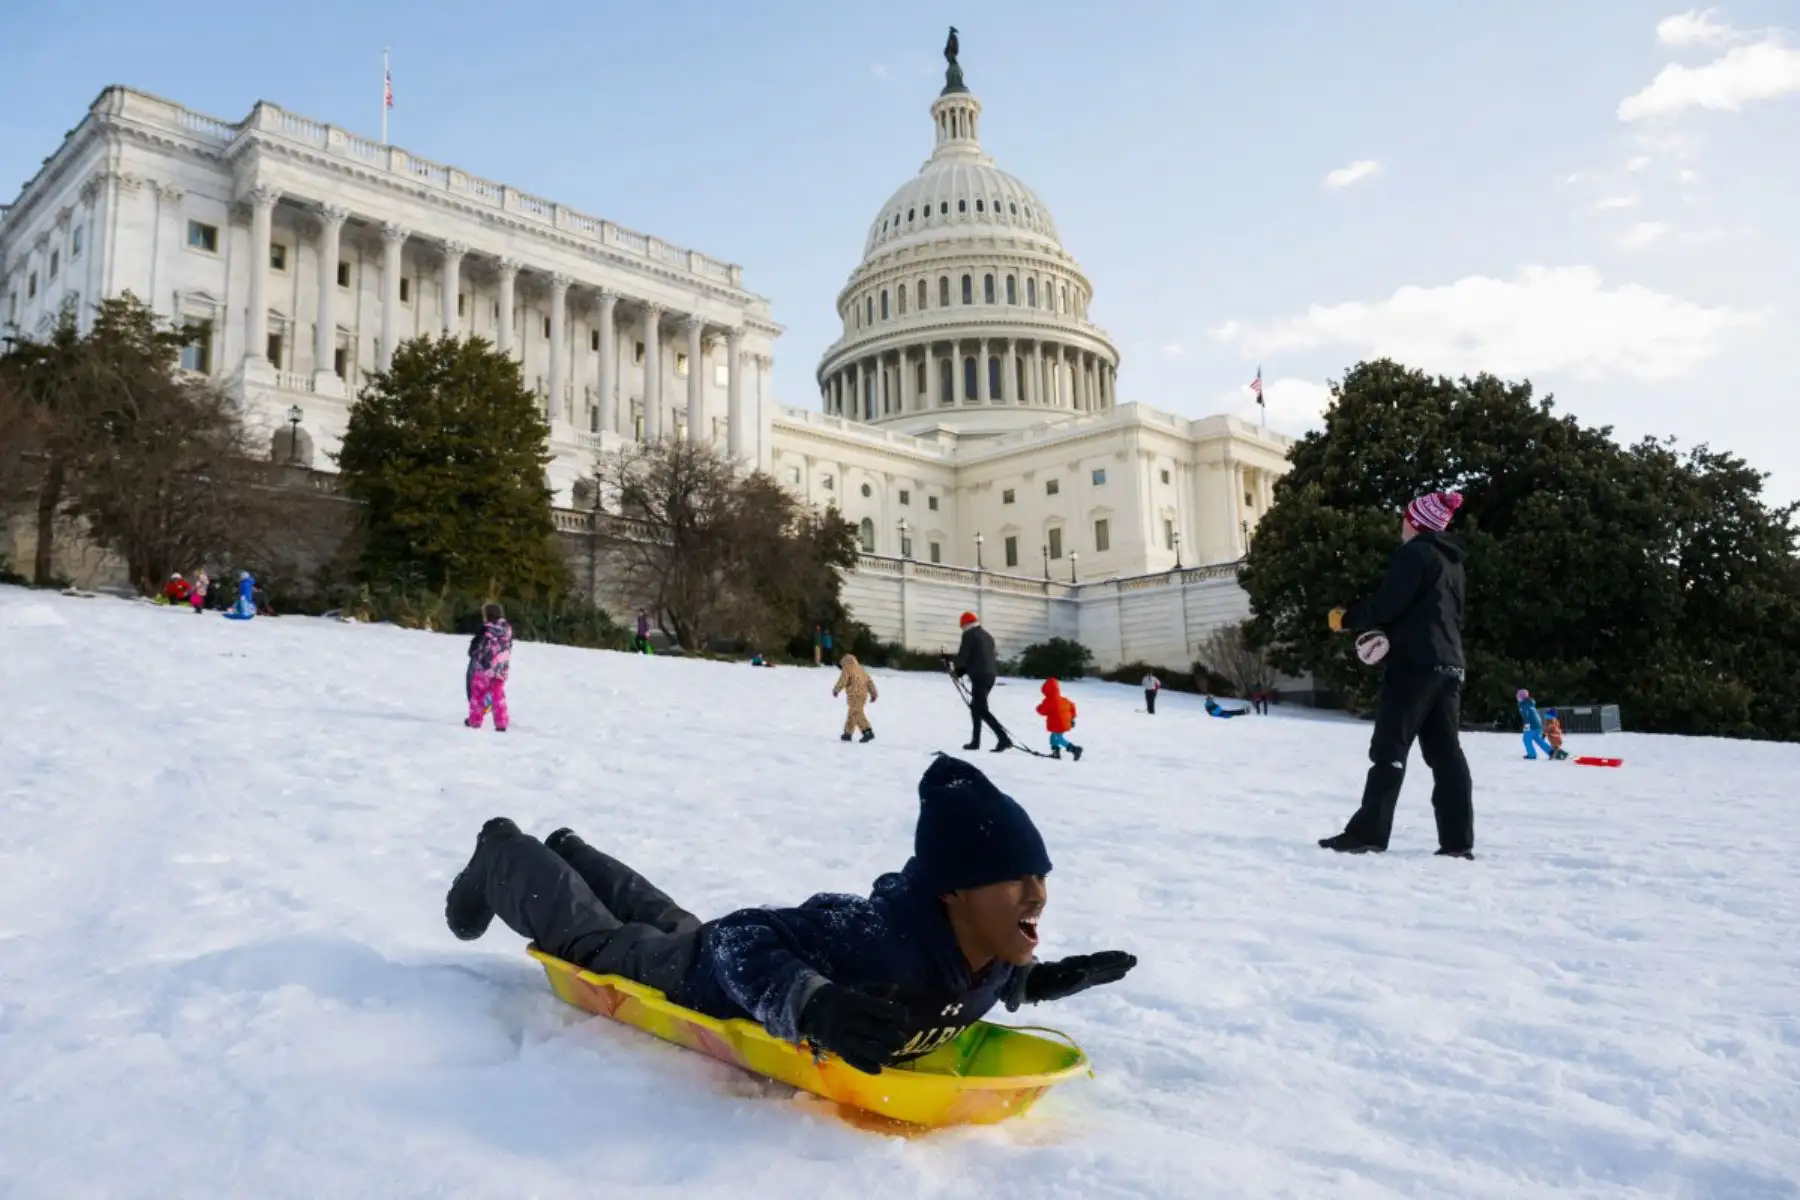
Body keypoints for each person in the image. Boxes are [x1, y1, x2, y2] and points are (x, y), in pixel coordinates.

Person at [444, 754, 1137, 1074]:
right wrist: (814, 1006)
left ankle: (573, 851)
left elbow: (966, 980)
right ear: (955, 891)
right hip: (702, 976)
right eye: (1013, 881)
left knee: (662, 920)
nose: (1036, 894)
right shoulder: (878, 941)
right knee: (597, 939)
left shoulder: (976, 955)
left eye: (1039, 877)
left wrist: (1035, 982)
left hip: (705, 948)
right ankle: (503, 854)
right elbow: (743, 936)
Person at [1318, 491, 1475, 860]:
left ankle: (1367, 833)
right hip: (1450, 664)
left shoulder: (1415, 553)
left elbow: (1391, 603)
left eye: (1406, 517)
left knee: (1390, 748)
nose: (1402, 523)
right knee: (1446, 755)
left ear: (1416, 522)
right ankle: (1457, 843)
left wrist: (1348, 620)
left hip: (1415, 666)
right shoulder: (1454, 565)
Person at [951, 612, 1010, 752]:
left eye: (962, 626)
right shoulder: (987, 635)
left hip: (979, 676)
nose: (962, 629)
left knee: (981, 709)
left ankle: (1003, 739)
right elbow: (979, 657)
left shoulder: (969, 635)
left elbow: (964, 656)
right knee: (976, 707)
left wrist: (956, 670)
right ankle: (976, 741)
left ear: (966, 624)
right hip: (990, 675)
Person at [465, 603, 513, 731]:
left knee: (478, 694)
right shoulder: (507, 631)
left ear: (487, 616)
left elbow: (474, 649)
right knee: (498, 696)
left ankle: (474, 720)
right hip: (500, 670)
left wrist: (474, 652)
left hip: (484, 669)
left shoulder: (484, 630)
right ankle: (501, 723)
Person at [832, 652, 878, 742]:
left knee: (856, 713)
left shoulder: (847, 668)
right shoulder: (861, 669)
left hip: (854, 695)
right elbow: (869, 682)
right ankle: (847, 733)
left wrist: (836, 689)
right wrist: (873, 694)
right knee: (852, 713)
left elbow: (843, 680)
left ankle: (867, 731)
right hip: (863, 695)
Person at [1035, 678, 1083, 761]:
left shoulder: (1049, 701)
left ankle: (1074, 749)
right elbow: (1072, 706)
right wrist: (1072, 718)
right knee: (1053, 737)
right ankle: (1056, 753)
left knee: (1058, 738)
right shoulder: (1064, 699)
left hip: (1058, 724)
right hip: (1065, 722)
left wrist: (1038, 707)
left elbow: (1042, 710)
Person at [1518, 690, 1562, 761]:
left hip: (1531, 725)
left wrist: (1527, 725)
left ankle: (1532, 755)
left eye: (1518, 696)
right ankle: (1551, 751)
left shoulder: (1523, 705)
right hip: (1538, 724)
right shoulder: (1530, 703)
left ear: (1521, 697)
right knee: (1538, 739)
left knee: (1526, 739)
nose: (1517, 697)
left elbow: (1526, 715)